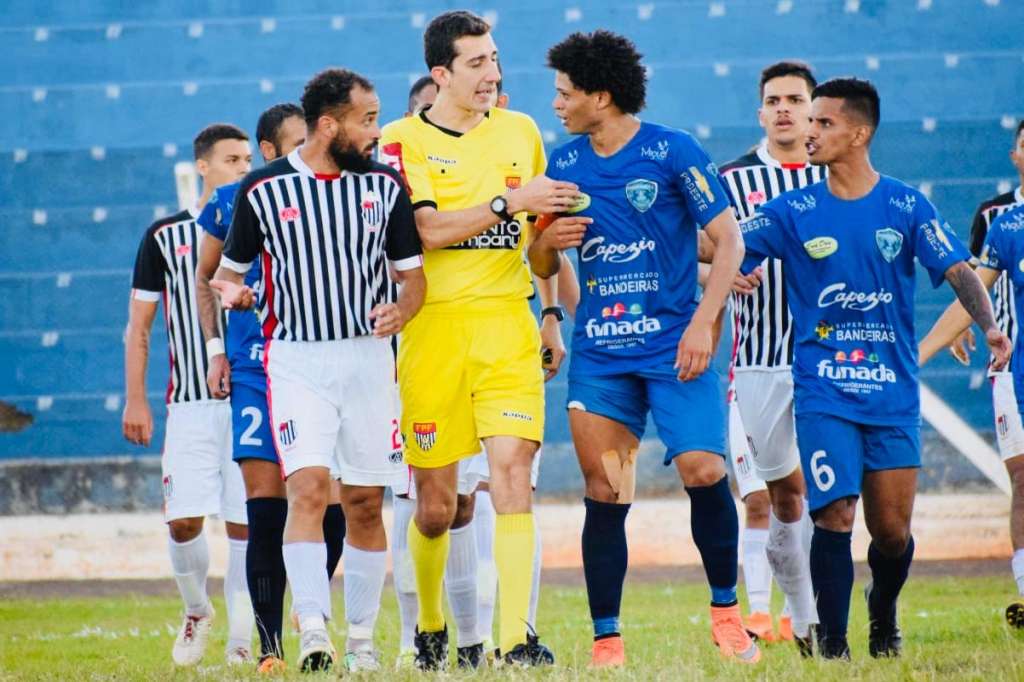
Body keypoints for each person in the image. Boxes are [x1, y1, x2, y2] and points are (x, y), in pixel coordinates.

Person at [731, 77, 1010, 659]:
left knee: (891, 531)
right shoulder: (792, 209)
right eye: (812, 121)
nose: (810, 131)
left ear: (858, 134)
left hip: (891, 394)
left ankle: (882, 611)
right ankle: (833, 647)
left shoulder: (905, 204)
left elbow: (958, 270)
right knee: (833, 511)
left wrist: (988, 325)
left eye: (824, 123)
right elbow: (725, 245)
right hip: (823, 390)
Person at [530, 30, 758, 667]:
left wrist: (702, 324)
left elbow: (728, 242)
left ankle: (727, 615)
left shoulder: (671, 149)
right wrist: (552, 241)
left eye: (565, 93)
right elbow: (539, 256)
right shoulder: (565, 164)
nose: (557, 104)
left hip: (672, 349)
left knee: (704, 471)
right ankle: (607, 639)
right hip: (602, 356)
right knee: (606, 492)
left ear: (601, 96)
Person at [211, 68, 426, 672]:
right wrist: (235, 294)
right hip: (298, 360)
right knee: (306, 489)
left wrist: (401, 310)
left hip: (366, 358)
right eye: (368, 120)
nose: (377, 132)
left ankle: (361, 640)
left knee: (362, 500)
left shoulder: (385, 188)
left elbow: (413, 277)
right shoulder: (263, 191)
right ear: (329, 125)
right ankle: (312, 630)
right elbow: (227, 275)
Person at [379, 9, 574, 670]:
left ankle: (517, 638)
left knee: (512, 471)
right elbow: (426, 232)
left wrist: (552, 307)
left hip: (506, 325)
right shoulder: (401, 139)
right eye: (476, 63)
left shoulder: (521, 131)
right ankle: (431, 624)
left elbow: (541, 242)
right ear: (440, 74)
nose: (492, 73)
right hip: (432, 333)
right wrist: (506, 206)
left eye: (494, 59)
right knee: (437, 508)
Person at [193, 103, 347, 673]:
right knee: (265, 508)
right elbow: (209, 278)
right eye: (296, 141)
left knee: (329, 506)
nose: (310, 149)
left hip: (315, 365)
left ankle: (313, 614)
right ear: (267, 150)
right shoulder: (235, 201)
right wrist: (216, 351)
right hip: (256, 367)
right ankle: (270, 646)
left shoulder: (336, 191)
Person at [122, 123, 254, 666]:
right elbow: (140, 324)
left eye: (248, 159)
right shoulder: (164, 237)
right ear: (203, 166)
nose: (243, 169)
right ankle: (197, 609)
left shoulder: (263, 222)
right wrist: (136, 398)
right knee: (183, 520)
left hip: (248, 397)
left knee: (247, 523)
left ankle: (244, 643)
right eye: (231, 160)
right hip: (191, 405)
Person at [718, 61, 824, 646]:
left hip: (825, 360)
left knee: (824, 497)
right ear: (760, 113)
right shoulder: (730, 179)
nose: (784, 108)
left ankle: (807, 619)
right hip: (756, 363)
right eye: (773, 100)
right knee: (776, 493)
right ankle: (771, 610)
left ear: (813, 110)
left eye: (794, 99)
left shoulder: (834, 177)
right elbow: (695, 250)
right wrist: (720, 269)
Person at [919, 185, 1024, 631]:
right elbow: (973, 292)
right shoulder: (1008, 225)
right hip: (1017, 376)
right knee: (1022, 478)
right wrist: (917, 355)